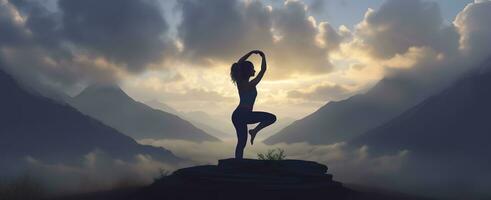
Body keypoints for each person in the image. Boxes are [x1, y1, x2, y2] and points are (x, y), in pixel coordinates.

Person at [230, 50, 277, 159]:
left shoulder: (241, 82)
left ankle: (238, 163)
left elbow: (240, 63)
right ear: (248, 71)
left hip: (239, 115)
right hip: (242, 114)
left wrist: (253, 53)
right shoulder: (248, 84)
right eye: (252, 69)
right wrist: (260, 55)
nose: (254, 70)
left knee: (241, 143)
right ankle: (254, 131)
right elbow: (262, 70)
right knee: (271, 118)